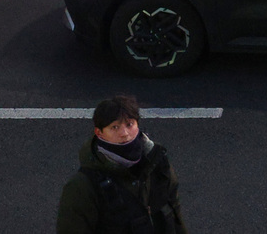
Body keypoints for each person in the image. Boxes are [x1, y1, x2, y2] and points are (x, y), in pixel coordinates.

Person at [56, 94, 188, 234]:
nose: (124, 133)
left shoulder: (158, 162)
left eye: (129, 124)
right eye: (115, 127)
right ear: (99, 133)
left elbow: (175, 213)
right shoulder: (82, 186)